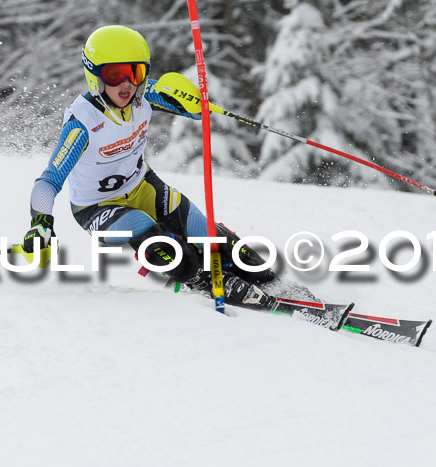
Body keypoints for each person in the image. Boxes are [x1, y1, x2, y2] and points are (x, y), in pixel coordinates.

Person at [23, 25, 275, 308]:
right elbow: (49, 181)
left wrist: (198, 101)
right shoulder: (82, 124)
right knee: (153, 237)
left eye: (136, 73)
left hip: (143, 186)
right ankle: (199, 278)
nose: (127, 84)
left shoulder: (144, 95)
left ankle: (263, 277)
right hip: (97, 207)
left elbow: (193, 110)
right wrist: (41, 222)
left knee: (209, 236)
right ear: (94, 76)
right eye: (115, 75)